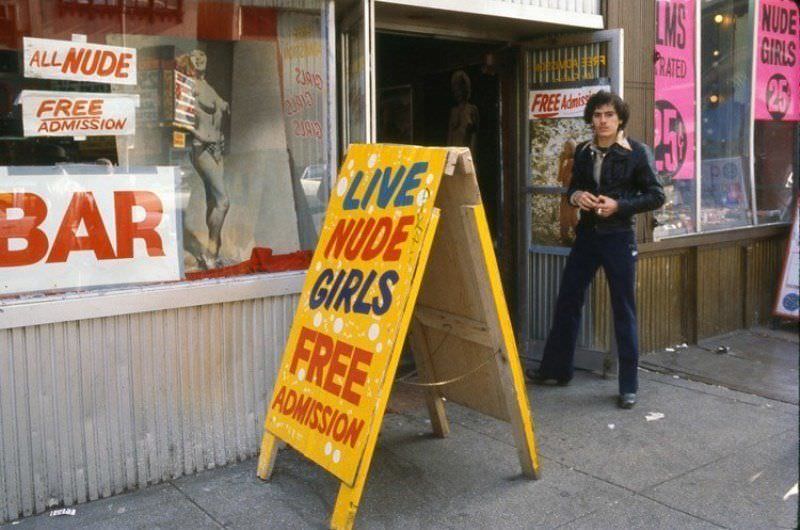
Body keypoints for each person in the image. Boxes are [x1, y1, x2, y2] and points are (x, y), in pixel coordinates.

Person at [526, 91, 665, 409]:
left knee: (624, 310)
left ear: (620, 120)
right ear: (591, 119)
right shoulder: (586, 152)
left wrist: (619, 205)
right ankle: (557, 370)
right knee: (567, 301)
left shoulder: (636, 152)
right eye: (598, 115)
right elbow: (574, 187)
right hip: (587, 237)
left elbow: (656, 196)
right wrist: (577, 198)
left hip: (619, 238)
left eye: (609, 115)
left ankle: (628, 385)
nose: (602, 121)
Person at [183, 49, 231, 270]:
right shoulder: (188, 86)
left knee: (213, 200)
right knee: (223, 201)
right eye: (194, 57)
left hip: (216, 149)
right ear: (188, 62)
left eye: (203, 55)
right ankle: (212, 248)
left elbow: (218, 108)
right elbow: (184, 121)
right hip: (202, 149)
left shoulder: (207, 86)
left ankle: (213, 252)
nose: (200, 59)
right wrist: (204, 138)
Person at [446, 70, 479, 157]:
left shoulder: (472, 109)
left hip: (466, 154)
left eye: (460, 88)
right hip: (453, 154)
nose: (458, 92)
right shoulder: (454, 111)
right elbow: (450, 136)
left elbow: (474, 136)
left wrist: (471, 157)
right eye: (455, 89)